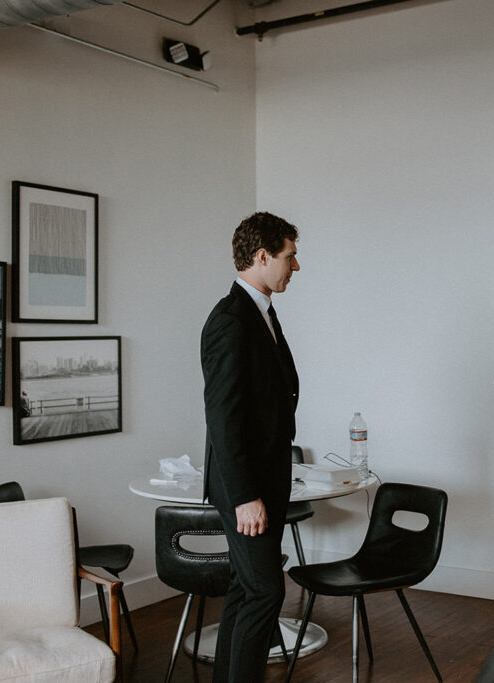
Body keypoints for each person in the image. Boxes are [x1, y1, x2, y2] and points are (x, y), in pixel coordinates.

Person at [201, 211, 301, 682]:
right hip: (247, 489)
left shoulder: (261, 312)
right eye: (289, 256)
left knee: (246, 589)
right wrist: (244, 495)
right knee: (265, 592)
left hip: (268, 479)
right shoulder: (230, 320)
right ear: (262, 257)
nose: (295, 266)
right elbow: (222, 418)